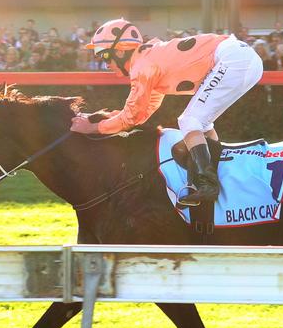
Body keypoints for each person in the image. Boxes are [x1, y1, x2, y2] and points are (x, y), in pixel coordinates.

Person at [70, 18, 263, 206]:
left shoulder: (142, 66)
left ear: (120, 51)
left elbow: (132, 117)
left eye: (104, 55)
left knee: (190, 121)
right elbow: (143, 110)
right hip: (240, 58)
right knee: (200, 123)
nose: (105, 64)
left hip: (234, 59)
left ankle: (208, 184)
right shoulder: (147, 59)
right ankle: (217, 175)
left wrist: (93, 127)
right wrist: (114, 118)